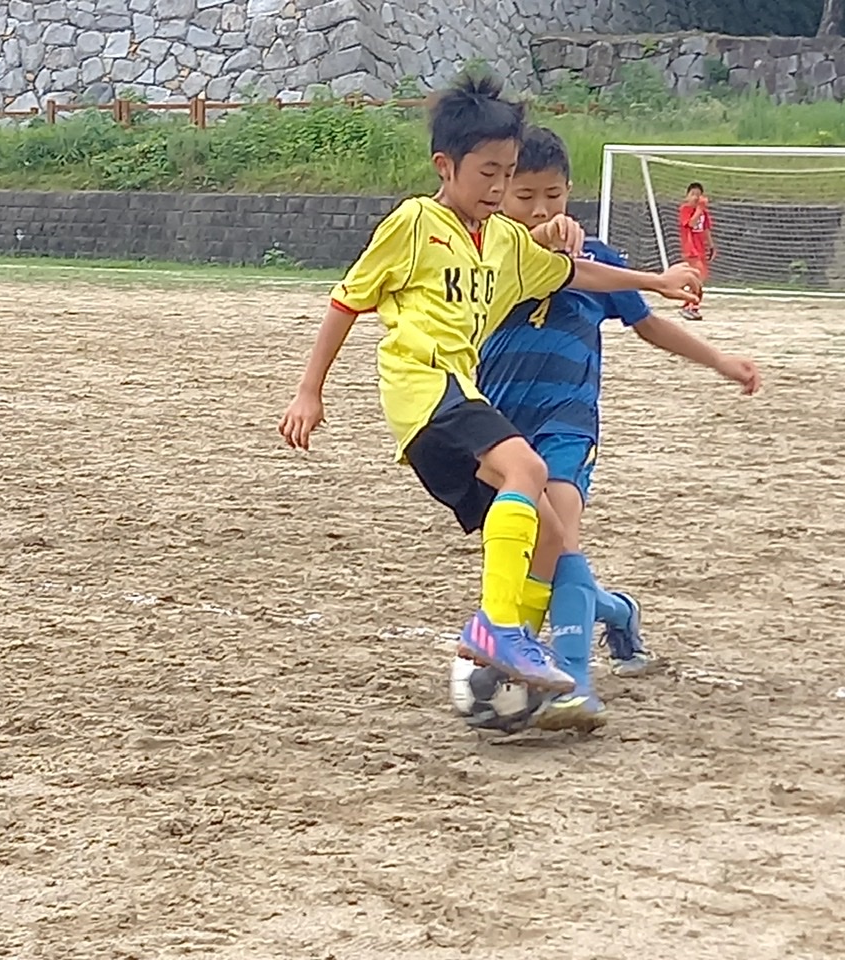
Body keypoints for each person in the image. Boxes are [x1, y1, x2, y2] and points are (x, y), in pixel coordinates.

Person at [277, 73, 702, 696]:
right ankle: (497, 629)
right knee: (528, 469)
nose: (499, 187)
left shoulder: (502, 239)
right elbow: (347, 300)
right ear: (445, 167)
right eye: (487, 173)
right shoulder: (415, 223)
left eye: (507, 172)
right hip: (424, 383)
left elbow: (572, 273)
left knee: (550, 535)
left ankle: (516, 656)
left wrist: (654, 282)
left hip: (460, 397)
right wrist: (309, 390)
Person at [478, 127, 761, 730]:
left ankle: (572, 684)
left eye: (553, 195)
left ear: (570, 191)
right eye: (524, 196)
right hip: (499, 429)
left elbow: (648, 324)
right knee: (537, 551)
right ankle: (616, 611)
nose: (541, 210)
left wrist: (719, 359)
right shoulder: (490, 258)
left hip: (566, 427)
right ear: (498, 192)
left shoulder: (599, 261)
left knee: (561, 541)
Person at [678, 181, 715, 321]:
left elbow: (706, 229)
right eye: (692, 194)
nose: (695, 197)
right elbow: (691, 223)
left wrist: (711, 246)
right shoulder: (685, 209)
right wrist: (699, 210)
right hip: (690, 249)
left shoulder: (704, 212)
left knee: (701, 279)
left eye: (698, 195)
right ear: (687, 196)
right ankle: (690, 306)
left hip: (701, 249)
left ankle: (690, 305)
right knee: (697, 278)